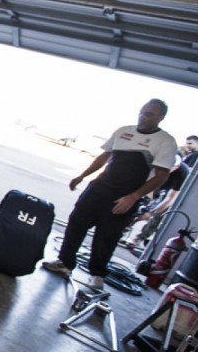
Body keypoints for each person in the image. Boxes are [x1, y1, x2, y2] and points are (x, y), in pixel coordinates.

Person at [42, 99, 178, 290]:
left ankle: (97, 274)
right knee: (76, 223)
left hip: (125, 196)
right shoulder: (123, 131)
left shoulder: (165, 141)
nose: (143, 116)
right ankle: (65, 263)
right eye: (142, 111)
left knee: (107, 236)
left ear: (161, 118)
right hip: (99, 188)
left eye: (149, 114)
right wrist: (82, 176)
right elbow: (105, 156)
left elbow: (162, 175)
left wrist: (134, 196)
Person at [125, 157, 190, 251]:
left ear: (176, 167)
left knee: (159, 215)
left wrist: (151, 212)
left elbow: (170, 198)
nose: (166, 169)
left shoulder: (182, 174)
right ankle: (123, 228)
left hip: (172, 193)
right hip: (159, 184)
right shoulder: (155, 165)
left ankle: (138, 238)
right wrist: (148, 204)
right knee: (138, 208)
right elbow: (149, 185)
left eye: (169, 168)